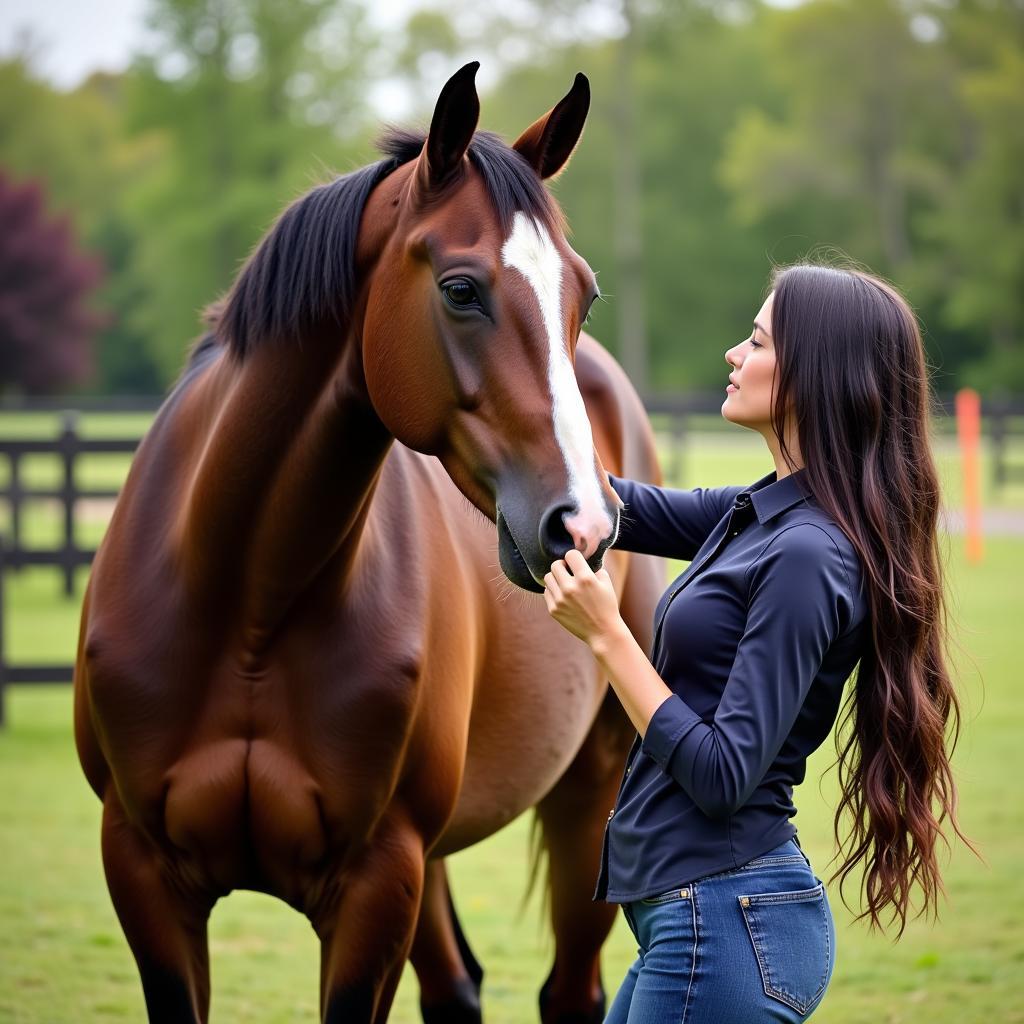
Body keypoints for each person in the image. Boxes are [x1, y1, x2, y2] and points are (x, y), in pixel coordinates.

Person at [543, 264, 966, 1023]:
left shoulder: (808, 554)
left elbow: (724, 772)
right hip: (699, 922)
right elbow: (620, 504)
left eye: (757, 340)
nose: (734, 354)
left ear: (813, 373)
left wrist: (607, 635)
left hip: (725, 925)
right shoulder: (763, 516)